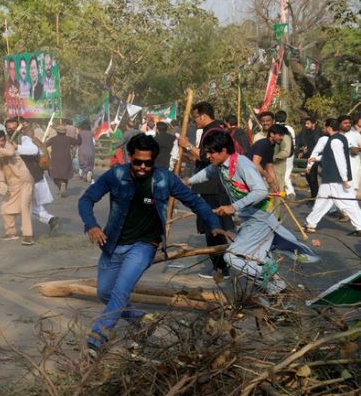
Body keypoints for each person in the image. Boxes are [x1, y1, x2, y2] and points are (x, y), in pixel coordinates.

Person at [80, 133, 224, 354]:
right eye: (137, 162)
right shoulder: (115, 175)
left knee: (120, 291)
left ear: (154, 161)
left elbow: (194, 200)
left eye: (148, 163)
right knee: (104, 293)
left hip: (144, 246)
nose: (142, 167)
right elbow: (86, 199)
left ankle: (97, 339)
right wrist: (91, 224)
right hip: (113, 244)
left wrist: (213, 223)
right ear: (130, 157)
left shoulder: (165, 179)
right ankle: (142, 320)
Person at [186, 131, 317, 297]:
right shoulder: (220, 165)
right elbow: (207, 173)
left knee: (233, 257)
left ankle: (275, 287)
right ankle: (279, 290)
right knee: (256, 258)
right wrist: (187, 182)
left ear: (224, 151)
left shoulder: (242, 164)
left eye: (212, 152)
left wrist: (233, 207)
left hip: (259, 218)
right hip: (247, 219)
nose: (208, 155)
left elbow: (261, 191)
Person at [177, 102, 235, 280]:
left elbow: (206, 157)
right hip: (208, 183)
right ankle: (219, 265)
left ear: (203, 115)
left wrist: (187, 145)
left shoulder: (213, 131)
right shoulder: (210, 131)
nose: (194, 122)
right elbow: (201, 158)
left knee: (213, 224)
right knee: (209, 222)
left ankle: (220, 267)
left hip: (213, 185)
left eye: (195, 117)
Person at [305, 118, 361, 235]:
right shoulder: (336, 139)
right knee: (322, 201)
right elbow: (329, 156)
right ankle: (310, 223)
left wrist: (344, 179)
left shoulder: (335, 141)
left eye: (325, 127)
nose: (324, 129)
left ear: (329, 127)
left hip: (336, 179)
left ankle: (360, 226)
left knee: (348, 203)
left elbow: (340, 160)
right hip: (331, 178)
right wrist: (317, 158)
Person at [0, 127, 35, 245]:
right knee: (5, 208)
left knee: (24, 207)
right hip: (12, 183)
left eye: (2, 140)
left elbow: (10, 153)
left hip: (24, 180)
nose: (1, 143)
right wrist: (2, 182)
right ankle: (10, 232)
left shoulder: (9, 146)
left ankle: (28, 236)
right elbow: (0, 168)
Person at [250, 124, 285, 193]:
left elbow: (269, 166)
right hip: (247, 175)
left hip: (254, 176)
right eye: (280, 135)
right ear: (272, 134)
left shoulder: (271, 147)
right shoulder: (263, 144)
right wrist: (267, 177)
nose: (282, 138)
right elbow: (255, 164)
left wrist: (275, 184)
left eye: (283, 135)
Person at [46, 124, 78, 196]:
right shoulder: (68, 139)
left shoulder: (53, 139)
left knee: (55, 175)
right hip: (66, 159)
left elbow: (45, 144)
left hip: (55, 159)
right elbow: (77, 142)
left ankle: (60, 184)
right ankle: (63, 186)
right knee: (66, 175)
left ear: (57, 132)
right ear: (65, 132)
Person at [297, 117, 322, 198]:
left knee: (312, 177)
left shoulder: (317, 133)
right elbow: (300, 140)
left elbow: (316, 147)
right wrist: (301, 151)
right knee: (309, 176)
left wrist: (305, 152)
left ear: (314, 124)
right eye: (305, 124)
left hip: (315, 157)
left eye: (308, 123)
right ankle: (314, 196)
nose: (306, 125)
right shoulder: (307, 131)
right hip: (309, 157)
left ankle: (315, 196)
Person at [272, 111, 296, 198]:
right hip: (290, 154)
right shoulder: (290, 128)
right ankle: (285, 191)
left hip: (281, 154)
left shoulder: (274, 128)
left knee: (283, 174)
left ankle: (289, 192)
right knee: (285, 174)